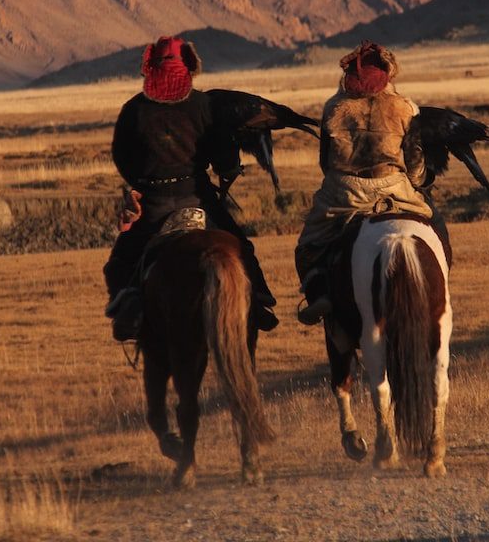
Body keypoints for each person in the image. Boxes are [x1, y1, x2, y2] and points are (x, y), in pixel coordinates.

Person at [103, 36, 278, 341]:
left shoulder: (134, 110)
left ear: (151, 69)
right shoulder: (203, 104)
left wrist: (139, 185)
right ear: (188, 67)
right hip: (199, 198)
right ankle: (259, 301)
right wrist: (227, 172)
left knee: (121, 259)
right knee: (240, 246)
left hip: (154, 203)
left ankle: (127, 309)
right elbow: (223, 155)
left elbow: (122, 156)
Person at [293, 41, 436, 325]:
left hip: (344, 194)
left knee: (308, 243)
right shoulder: (406, 107)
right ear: (388, 74)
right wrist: (420, 181)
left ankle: (318, 293)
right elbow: (416, 166)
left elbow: (326, 164)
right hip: (395, 189)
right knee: (433, 227)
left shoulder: (334, 107)